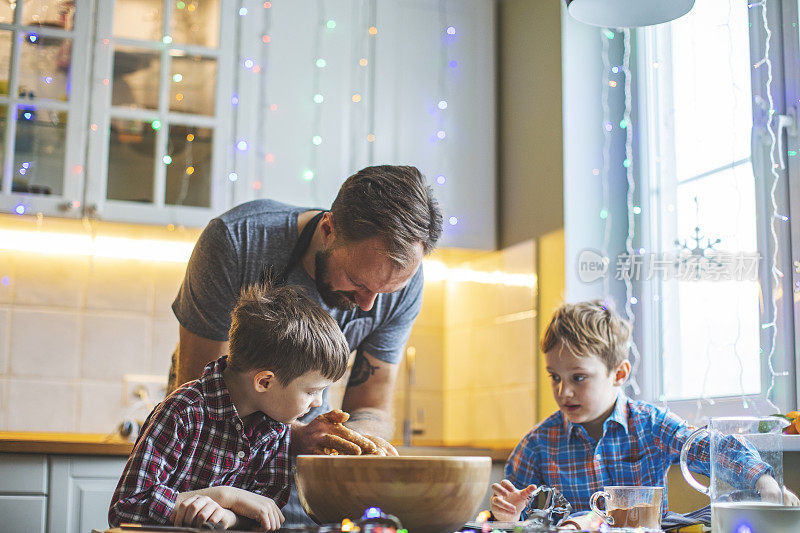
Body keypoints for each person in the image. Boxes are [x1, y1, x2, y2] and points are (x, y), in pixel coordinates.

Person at [168, 165, 441, 460]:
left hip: (303, 464)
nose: (368, 306)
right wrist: (296, 436)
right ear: (327, 230)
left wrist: (354, 438)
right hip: (209, 460)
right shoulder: (237, 241)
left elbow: (373, 405)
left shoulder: (404, 283)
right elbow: (201, 396)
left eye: (387, 292)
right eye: (357, 282)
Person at [489, 300, 799, 528]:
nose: (563, 391)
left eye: (578, 378)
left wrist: (765, 483)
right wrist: (508, 516)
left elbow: (710, 446)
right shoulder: (538, 444)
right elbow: (514, 518)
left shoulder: (650, 424)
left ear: (619, 373)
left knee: (714, 514)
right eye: (555, 377)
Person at [109, 283, 350, 530]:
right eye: (312, 391)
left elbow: (267, 512)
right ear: (265, 381)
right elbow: (125, 508)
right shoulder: (183, 411)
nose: (319, 402)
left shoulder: (277, 427)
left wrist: (229, 517)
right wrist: (226, 497)